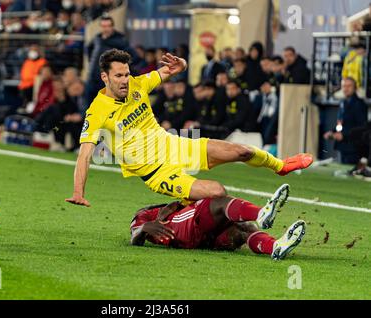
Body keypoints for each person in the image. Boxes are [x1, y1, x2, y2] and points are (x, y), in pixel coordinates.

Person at [66, 49, 313, 207]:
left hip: (176, 146)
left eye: (127, 74)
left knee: (242, 151)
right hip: (156, 172)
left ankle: (280, 167)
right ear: (105, 77)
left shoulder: (139, 84)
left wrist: (182, 63)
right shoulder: (96, 111)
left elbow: (172, 70)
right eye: (118, 76)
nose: (124, 81)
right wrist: (79, 192)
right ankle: (257, 214)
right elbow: (85, 154)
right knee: (217, 191)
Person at [130, 184, 306, 261]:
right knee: (217, 201)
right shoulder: (145, 214)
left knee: (242, 231)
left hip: (203, 240)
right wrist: (144, 228)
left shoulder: (177, 205)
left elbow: (188, 201)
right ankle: (261, 213)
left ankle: (275, 247)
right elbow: (134, 237)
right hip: (179, 231)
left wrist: (177, 203)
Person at [85, 15, 134, 108]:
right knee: (91, 106)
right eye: (103, 26)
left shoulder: (120, 40)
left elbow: (130, 57)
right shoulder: (97, 38)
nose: (106, 29)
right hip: (93, 78)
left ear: (112, 26)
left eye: (108, 26)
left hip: (110, 81)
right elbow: (88, 49)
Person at [324, 77, 369, 164]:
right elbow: (341, 123)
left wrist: (344, 135)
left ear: (355, 88)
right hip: (342, 147)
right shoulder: (342, 103)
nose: (346, 88)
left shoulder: (360, 104)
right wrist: (333, 132)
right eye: (344, 86)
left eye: (349, 86)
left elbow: (362, 127)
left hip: (354, 148)